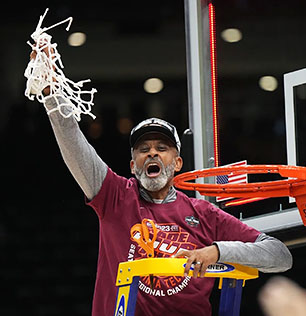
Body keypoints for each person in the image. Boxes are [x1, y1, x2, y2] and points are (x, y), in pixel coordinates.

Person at [30, 50, 292, 316]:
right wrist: (52, 93)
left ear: (177, 163)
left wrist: (217, 251)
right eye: (143, 149)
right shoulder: (115, 195)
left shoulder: (203, 214)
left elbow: (280, 255)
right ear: (133, 166)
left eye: (161, 147)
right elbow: (76, 147)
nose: (152, 153)